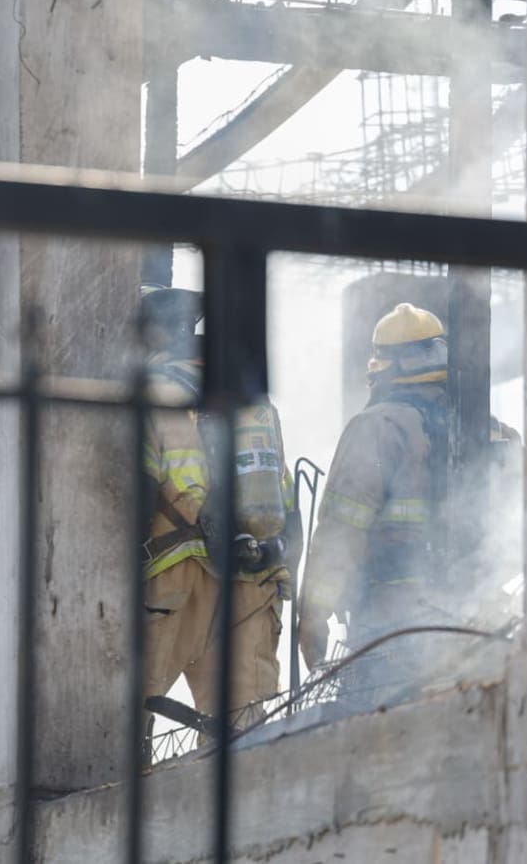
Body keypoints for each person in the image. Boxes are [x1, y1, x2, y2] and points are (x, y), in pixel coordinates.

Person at [139, 284, 302, 732]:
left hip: (177, 582)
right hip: (254, 579)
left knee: (120, 728)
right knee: (246, 736)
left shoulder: (148, 393)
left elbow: (133, 498)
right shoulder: (254, 401)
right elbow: (286, 503)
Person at [297, 302, 456, 711]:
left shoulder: (377, 428)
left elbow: (341, 530)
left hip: (390, 631)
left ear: (385, 366)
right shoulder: (489, 429)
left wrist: (314, 613)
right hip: (472, 627)